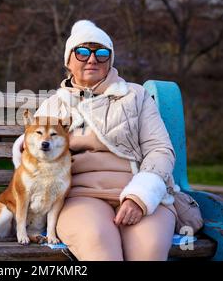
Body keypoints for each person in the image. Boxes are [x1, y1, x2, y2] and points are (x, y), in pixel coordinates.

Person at [12, 20, 179, 261]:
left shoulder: (135, 95)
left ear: (110, 60)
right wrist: (27, 146)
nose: (92, 59)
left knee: (149, 250)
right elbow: (33, 153)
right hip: (81, 196)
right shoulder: (53, 105)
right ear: (68, 61)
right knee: (97, 244)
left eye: (101, 53)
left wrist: (140, 196)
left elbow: (160, 149)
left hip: (140, 192)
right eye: (82, 52)